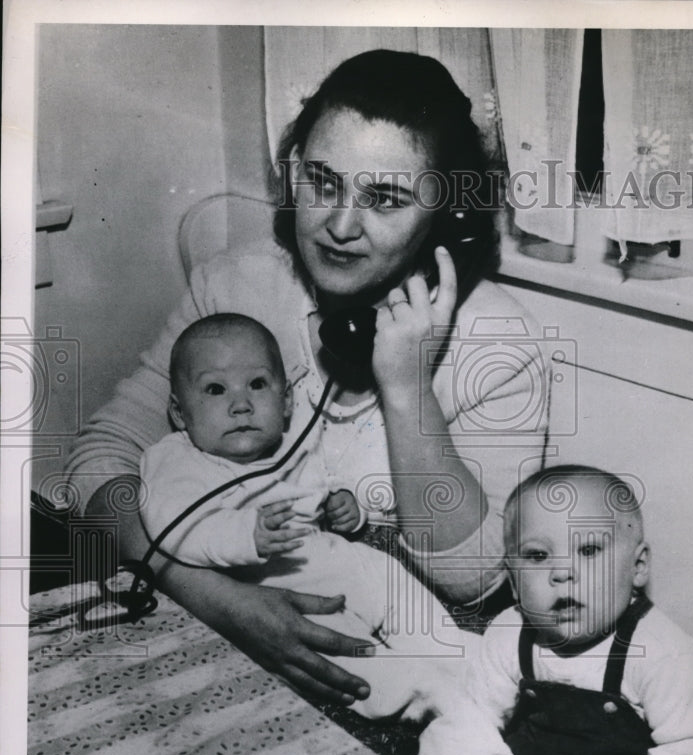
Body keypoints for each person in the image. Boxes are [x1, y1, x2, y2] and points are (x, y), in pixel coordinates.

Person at [65, 49, 548, 706]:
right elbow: (104, 453)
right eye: (322, 183)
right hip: (224, 612)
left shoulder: (499, 341)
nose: (340, 226)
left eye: (384, 198)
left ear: (446, 213)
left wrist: (407, 390)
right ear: (293, 172)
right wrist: (205, 591)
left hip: (399, 661)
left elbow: (474, 580)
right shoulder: (235, 283)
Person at [139, 312, 479, 718]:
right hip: (274, 586)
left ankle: (456, 654)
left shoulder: (292, 444)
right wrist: (245, 535)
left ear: (285, 403)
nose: (241, 404)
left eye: (258, 385)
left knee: (389, 581)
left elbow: (317, 495)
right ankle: (418, 697)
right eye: (215, 389)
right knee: (332, 643)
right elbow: (171, 525)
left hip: (333, 557)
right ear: (180, 413)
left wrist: (346, 511)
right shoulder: (175, 459)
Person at [405, 465, 693, 755]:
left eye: (588, 549)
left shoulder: (665, 653)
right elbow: (475, 717)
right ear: (514, 580)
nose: (563, 572)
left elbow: (689, 749)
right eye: (536, 556)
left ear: (637, 567)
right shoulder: (509, 632)